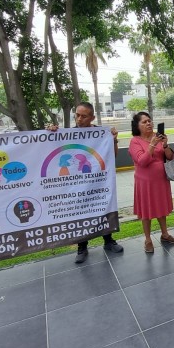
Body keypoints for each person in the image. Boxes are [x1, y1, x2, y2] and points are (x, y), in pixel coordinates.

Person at [48, 103, 123, 263]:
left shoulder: (102, 134)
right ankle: (82, 247)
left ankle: (108, 241)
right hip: (77, 185)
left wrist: (114, 140)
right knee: (80, 213)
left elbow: (112, 157)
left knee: (103, 209)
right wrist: (50, 133)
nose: (79, 119)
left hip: (98, 183)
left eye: (84, 116)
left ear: (92, 118)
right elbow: (50, 150)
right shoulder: (67, 134)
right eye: (77, 115)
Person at [128, 112, 174, 253]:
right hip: (145, 183)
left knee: (161, 208)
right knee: (146, 211)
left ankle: (165, 234)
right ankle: (148, 239)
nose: (148, 123)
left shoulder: (157, 137)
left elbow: (169, 157)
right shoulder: (135, 141)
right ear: (137, 126)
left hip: (161, 180)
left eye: (149, 121)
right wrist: (152, 144)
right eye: (144, 122)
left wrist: (165, 144)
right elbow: (142, 161)